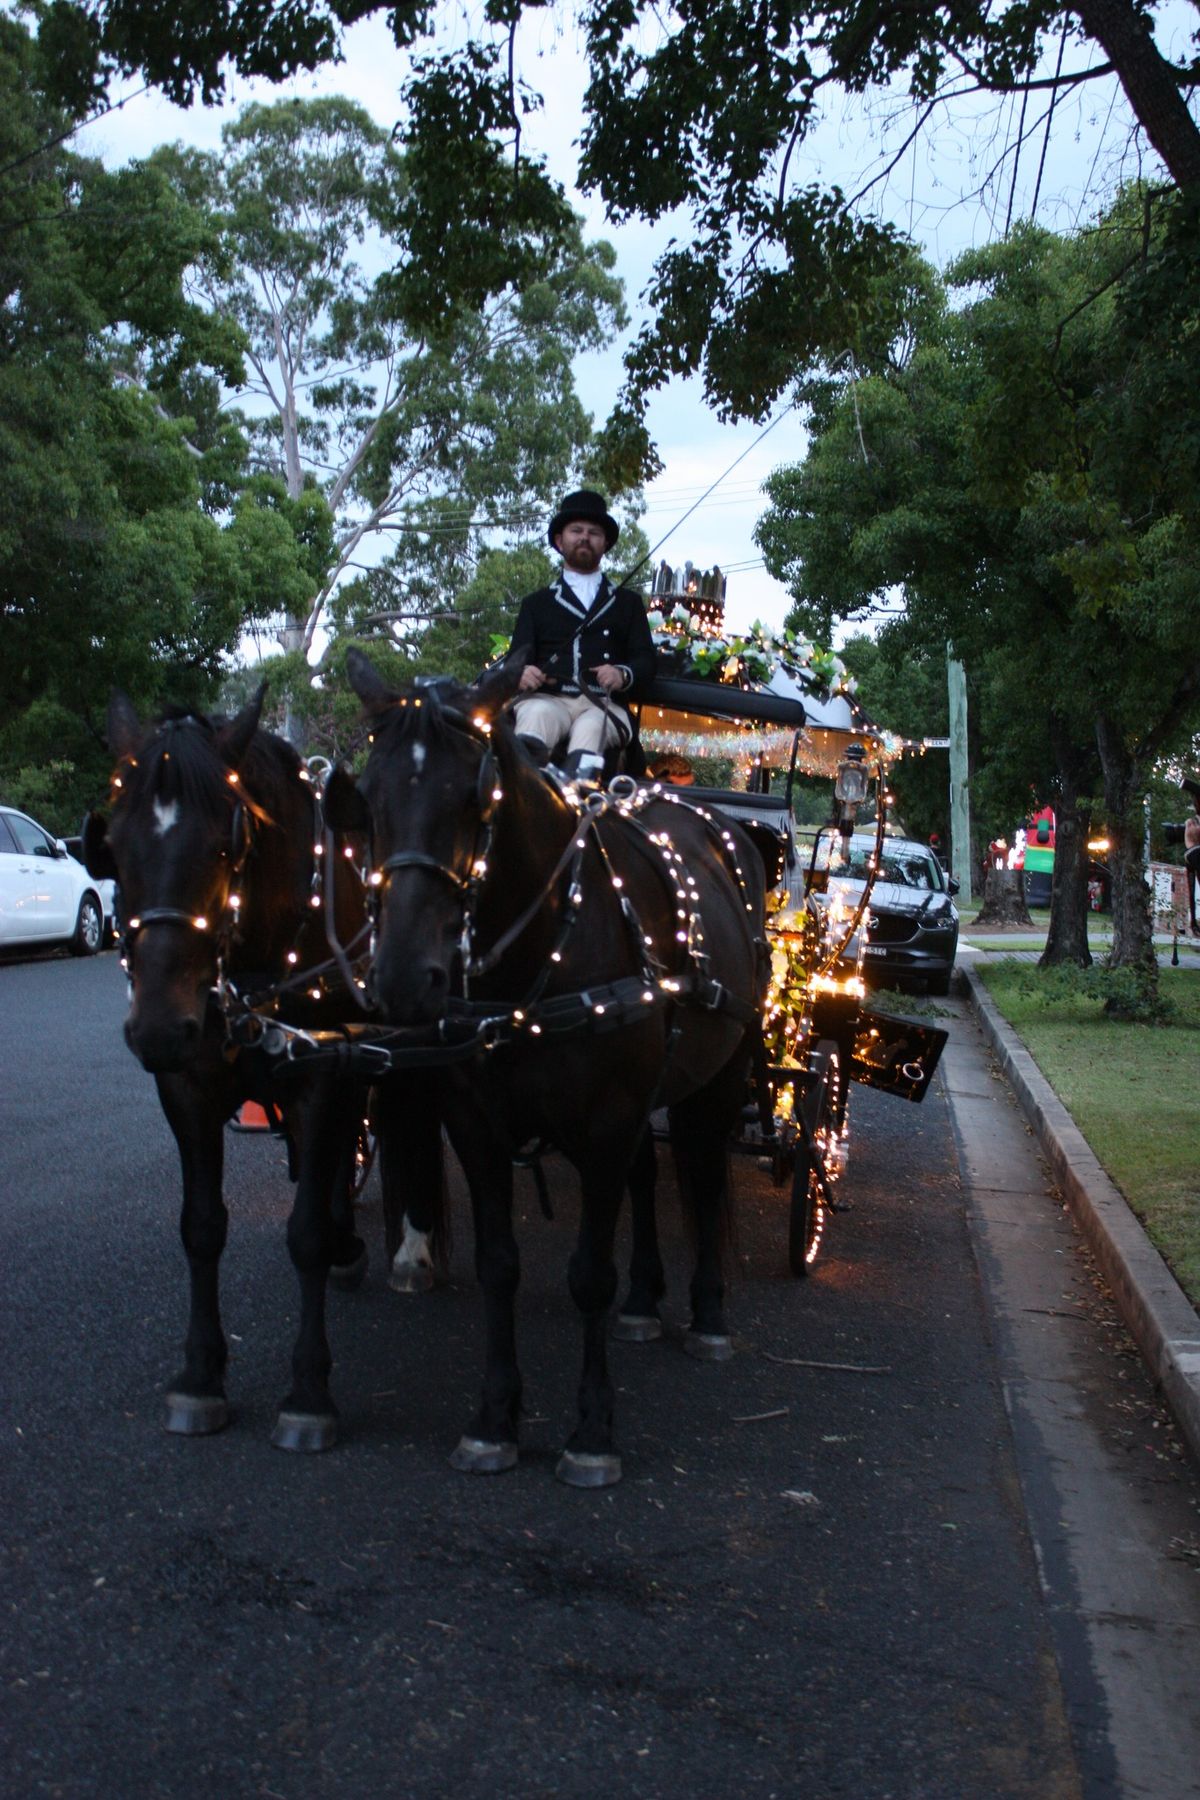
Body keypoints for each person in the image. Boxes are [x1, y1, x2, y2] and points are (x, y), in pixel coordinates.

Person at [509, 490, 656, 775]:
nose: (585, 537)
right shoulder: (535, 604)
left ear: (606, 544)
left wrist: (622, 674)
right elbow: (517, 658)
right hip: (548, 699)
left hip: (603, 704)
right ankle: (520, 792)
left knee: (591, 727)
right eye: (576, 530)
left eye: (594, 532)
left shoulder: (628, 603)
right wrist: (522, 672)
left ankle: (580, 798)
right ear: (559, 540)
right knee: (535, 717)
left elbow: (646, 661)